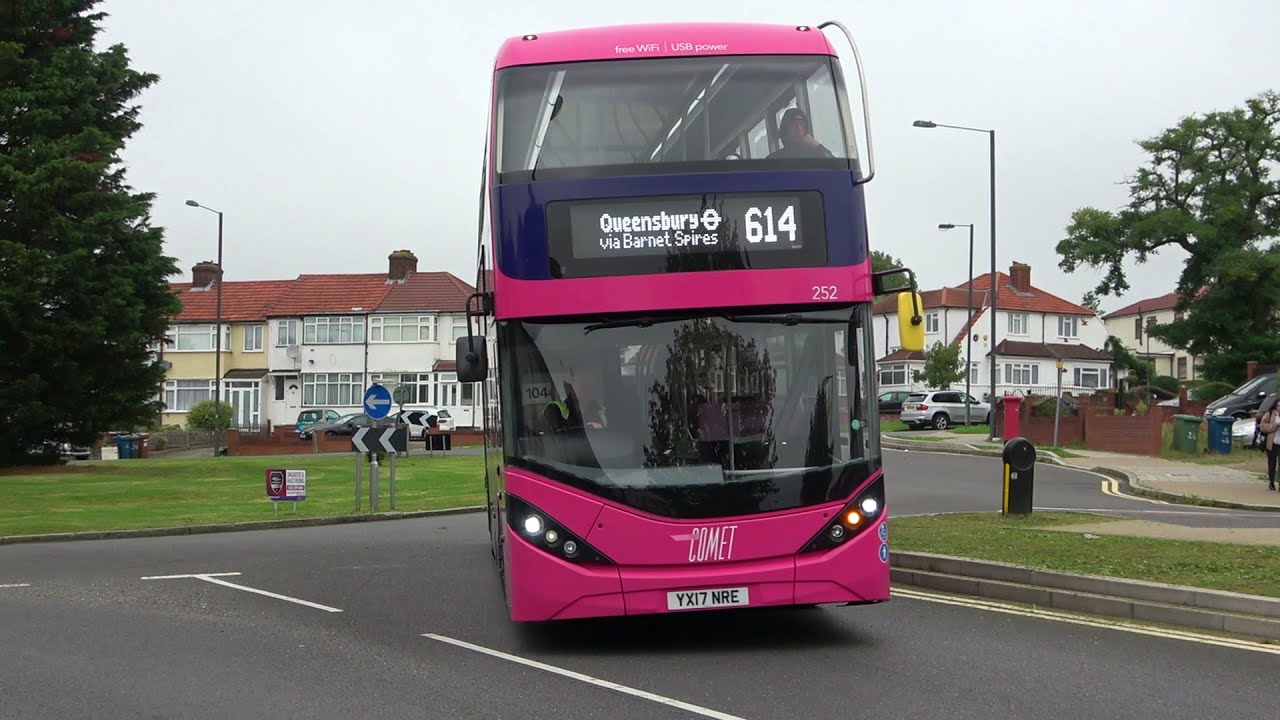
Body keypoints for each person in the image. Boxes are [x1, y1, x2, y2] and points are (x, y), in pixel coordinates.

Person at [768, 107, 834, 159]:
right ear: (785, 129)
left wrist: (817, 146)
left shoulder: (815, 155)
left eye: (802, 124)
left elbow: (836, 167)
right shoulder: (774, 159)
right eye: (793, 124)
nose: (798, 129)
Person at [1258, 395, 1280, 491]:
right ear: (1275, 406)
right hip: (1272, 443)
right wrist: (1275, 425)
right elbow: (1263, 427)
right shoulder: (1270, 414)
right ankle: (1271, 482)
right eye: (1279, 406)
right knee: (1272, 463)